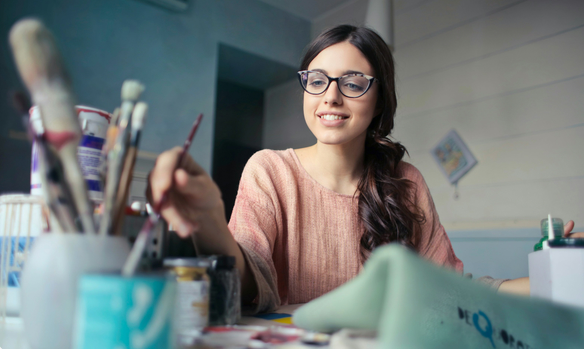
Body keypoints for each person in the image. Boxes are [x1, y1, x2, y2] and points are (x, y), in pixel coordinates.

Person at [147, 25, 581, 312]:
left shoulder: (405, 183)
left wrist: (555, 272)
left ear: (378, 101)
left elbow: (451, 292)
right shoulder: (270, 171)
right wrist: (209, 222)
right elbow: (249, 286)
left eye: (353, 83)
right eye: (317, 80)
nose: (331, 97)